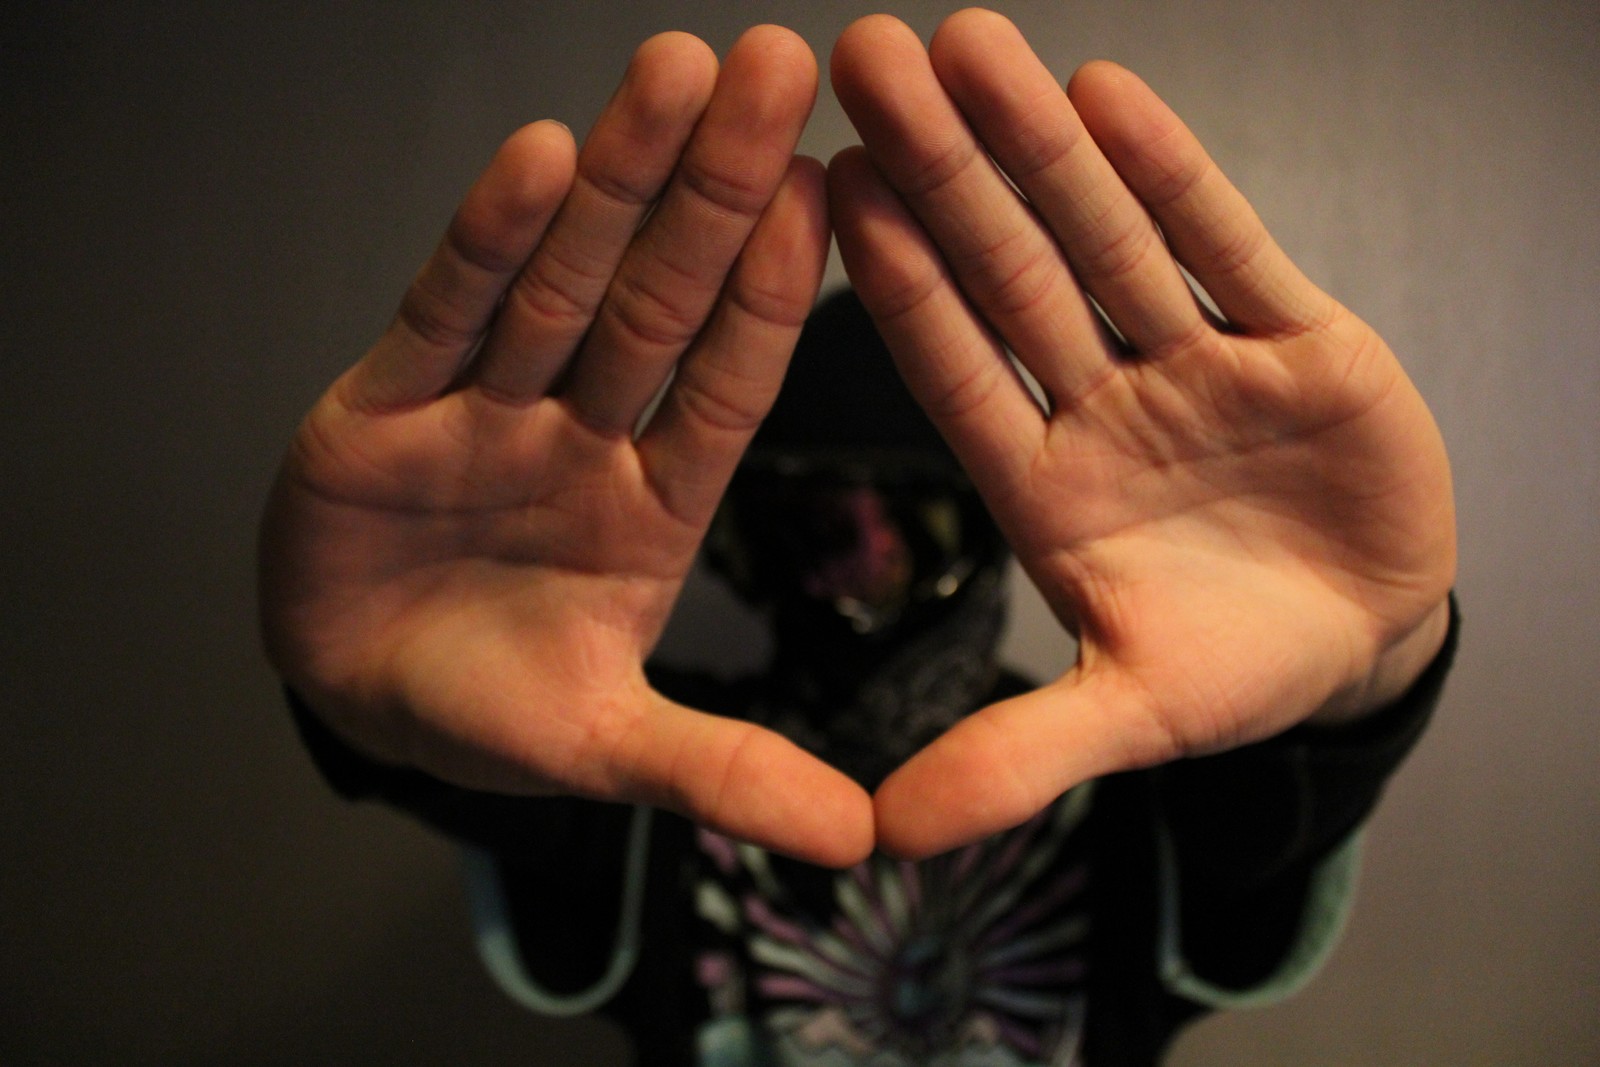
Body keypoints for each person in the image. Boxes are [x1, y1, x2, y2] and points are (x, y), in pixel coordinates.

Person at [258, 11, 1458, 1064]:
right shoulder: (640, 753)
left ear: (992, 520)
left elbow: (1266, 816)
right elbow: (504, 774)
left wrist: (1369, 658)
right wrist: (372, 689)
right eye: (815, 509)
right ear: (745, 534)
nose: (860, 546)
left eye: (913, 506)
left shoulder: (1126, 762)